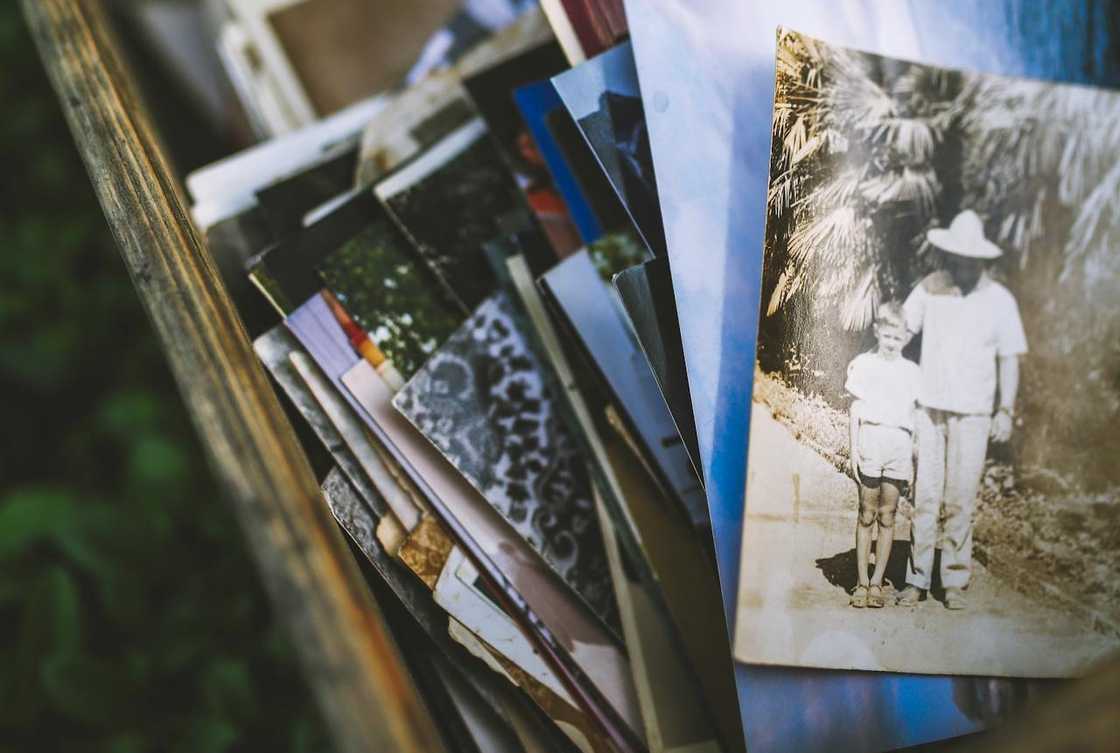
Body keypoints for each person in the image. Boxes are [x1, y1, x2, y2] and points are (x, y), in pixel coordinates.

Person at [896, 210, 1028, 610]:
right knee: (925, 495)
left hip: (973, 414)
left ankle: (953, 580)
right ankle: (916, 579)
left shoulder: (1001, 301)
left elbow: (1010, 358)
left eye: (970, 260)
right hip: (931, 408)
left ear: (982, 260)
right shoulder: (932, 287)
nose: (963, 266)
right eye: (957, 258)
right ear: (950, 255)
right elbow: (900, 329)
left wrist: (1004, 409)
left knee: (961, 498)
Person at [845, 302, 920, 608]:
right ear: (877, 332)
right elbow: (854, 410)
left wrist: (913, 463)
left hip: (898, 447)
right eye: (887, 336)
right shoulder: (863, 364)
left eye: (897, 337)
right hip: (871, 443)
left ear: (906, 337)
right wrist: (853, 452)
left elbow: (914, 420)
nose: (891, 343)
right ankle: (861, 582)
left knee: (888, 515)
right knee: (866, 513)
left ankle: (877, 583)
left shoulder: (912, 372)